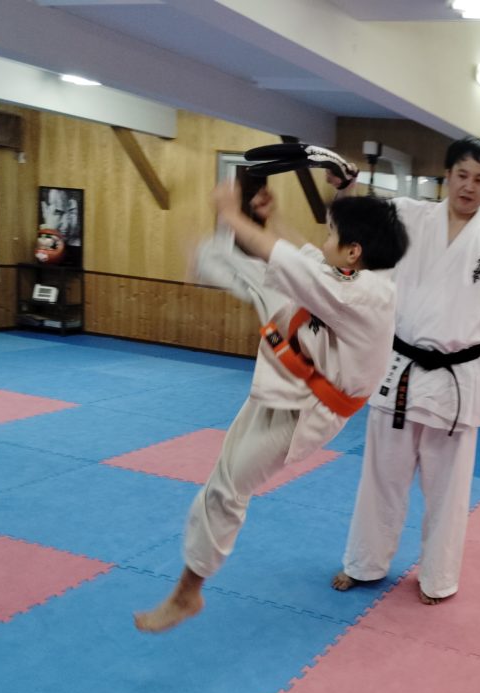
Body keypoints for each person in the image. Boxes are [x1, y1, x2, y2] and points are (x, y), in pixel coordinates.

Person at [134, 177, 409, 633]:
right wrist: (272, 218)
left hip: (311, 409)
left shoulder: (369, 295)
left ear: (354, 251)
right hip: (289, 380)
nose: (325, 241)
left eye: (332, 234)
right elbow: (308, 257)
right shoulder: (349, 274)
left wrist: (232, 215)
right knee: (271, 278)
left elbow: (298, 263)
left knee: (228, 489)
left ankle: (187, 594)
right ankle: (210, 258)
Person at [332, 137, 480, 605]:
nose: (469, 186)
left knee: (448, 491)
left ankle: (438, 578)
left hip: (458, 380)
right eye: (462, 175)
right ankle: (364, 563)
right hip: (400, 369)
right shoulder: (409, 215)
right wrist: (345, 187)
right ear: (447, 176)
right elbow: (358, 227)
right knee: (380, 478)